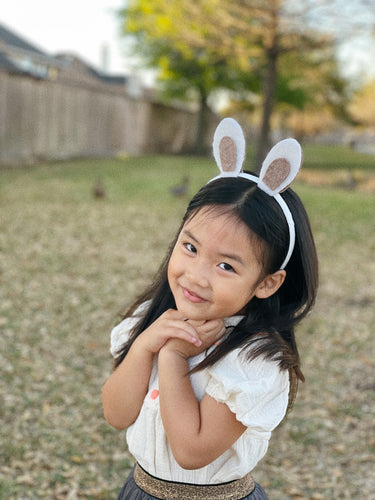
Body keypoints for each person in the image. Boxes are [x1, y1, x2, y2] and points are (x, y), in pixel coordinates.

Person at [102, 118, 318, 500]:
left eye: (226, 266)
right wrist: (143, 346)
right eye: (190, 247)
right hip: (138, 490)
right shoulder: (152, 319)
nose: (196, 276)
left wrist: (170, 356)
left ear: (268, 282)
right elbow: (117, 414)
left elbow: (191, 451)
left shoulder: (253, 360)